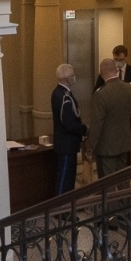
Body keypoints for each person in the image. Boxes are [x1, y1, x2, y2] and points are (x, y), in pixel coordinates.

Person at [91, 57, 131, 177]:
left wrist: (90, 148)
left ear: (102, 72)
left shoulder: (100, 94)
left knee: (107, 184)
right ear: (116, 70)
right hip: (124, 143)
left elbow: (97, 124)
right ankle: (127, 196)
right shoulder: (130, 89)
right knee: (123, 180)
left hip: (106, 147)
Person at [50, 63, 87, 195]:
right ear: (66, 78)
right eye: (72, 75)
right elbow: (69, 123)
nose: (74, 78)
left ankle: (66, 209)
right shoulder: (63, 96)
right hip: (66, 143)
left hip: (67, 143)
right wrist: (83, 129)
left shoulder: (61, 93)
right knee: (65, 179)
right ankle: (60, 211)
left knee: (69, 178)